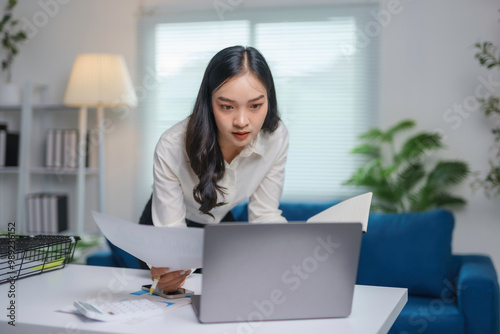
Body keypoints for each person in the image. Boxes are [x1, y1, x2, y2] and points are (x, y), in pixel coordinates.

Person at [141, 45, 289, 292]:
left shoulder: (276, 137)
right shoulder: (172, 145)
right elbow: (171, 229)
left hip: (218, 223)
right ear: (209, 102)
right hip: (169, 224)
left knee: (228, 292)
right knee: (168, 296)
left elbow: (265, 214)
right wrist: (171, 265)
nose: (241, 121)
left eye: (255, 106)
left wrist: (294, 248)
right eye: (227, 106)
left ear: (268, 100)